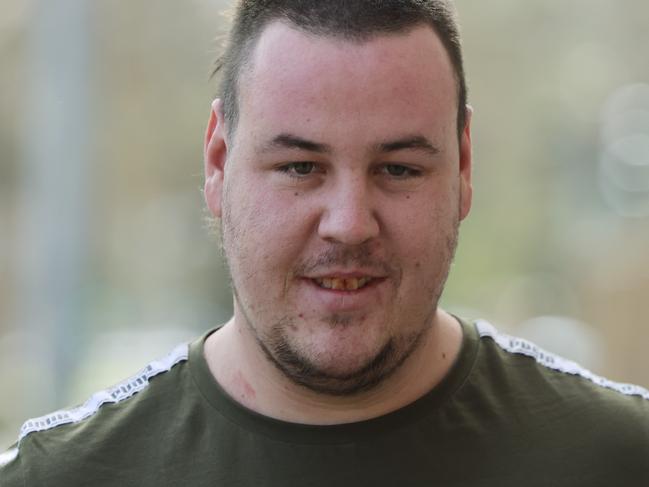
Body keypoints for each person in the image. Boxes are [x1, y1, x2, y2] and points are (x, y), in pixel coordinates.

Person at [2, 1, 648, 485]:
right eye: (300, 167)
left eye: (398, 168)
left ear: (463, 167)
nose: (348, 222)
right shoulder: (60, 476)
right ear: (218, 163)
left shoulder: (617, 458)